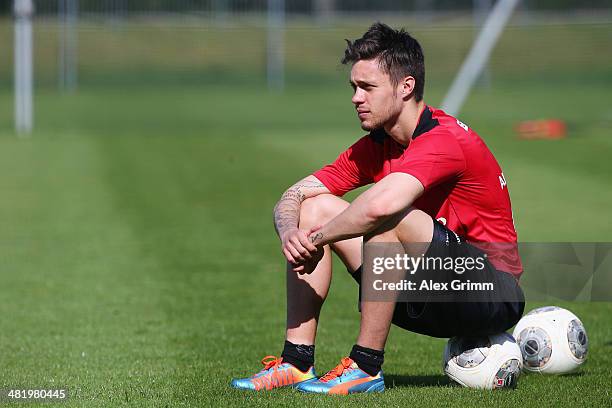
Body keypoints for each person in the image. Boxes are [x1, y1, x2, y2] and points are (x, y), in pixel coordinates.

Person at [230, 22, 524, 394]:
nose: (356, 97)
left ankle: (366, 366)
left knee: (386, 216)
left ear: (406, 87)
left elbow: (379, 207)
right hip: (423, 285)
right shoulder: (375, 146)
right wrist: (292, 232)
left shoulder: (443, 139)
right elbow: (294, 194)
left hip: (490, 294)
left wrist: (315, 240)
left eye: (367, 87)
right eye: (354, 87)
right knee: (314, 207)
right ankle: (296, 361)